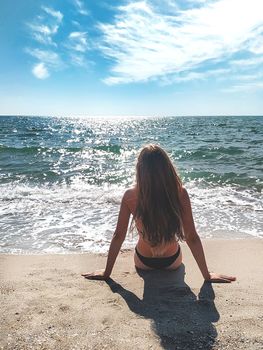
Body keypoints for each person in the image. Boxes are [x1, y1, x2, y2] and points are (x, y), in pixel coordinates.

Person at [82, 144, 236, 283]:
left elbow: (118, 236)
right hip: (172, 262)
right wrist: (207, 275)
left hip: (143, 262)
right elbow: (192, 237)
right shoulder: (180, 194)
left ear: (140, 169)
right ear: (167, 168)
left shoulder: (130, 196)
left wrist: (106, 273)